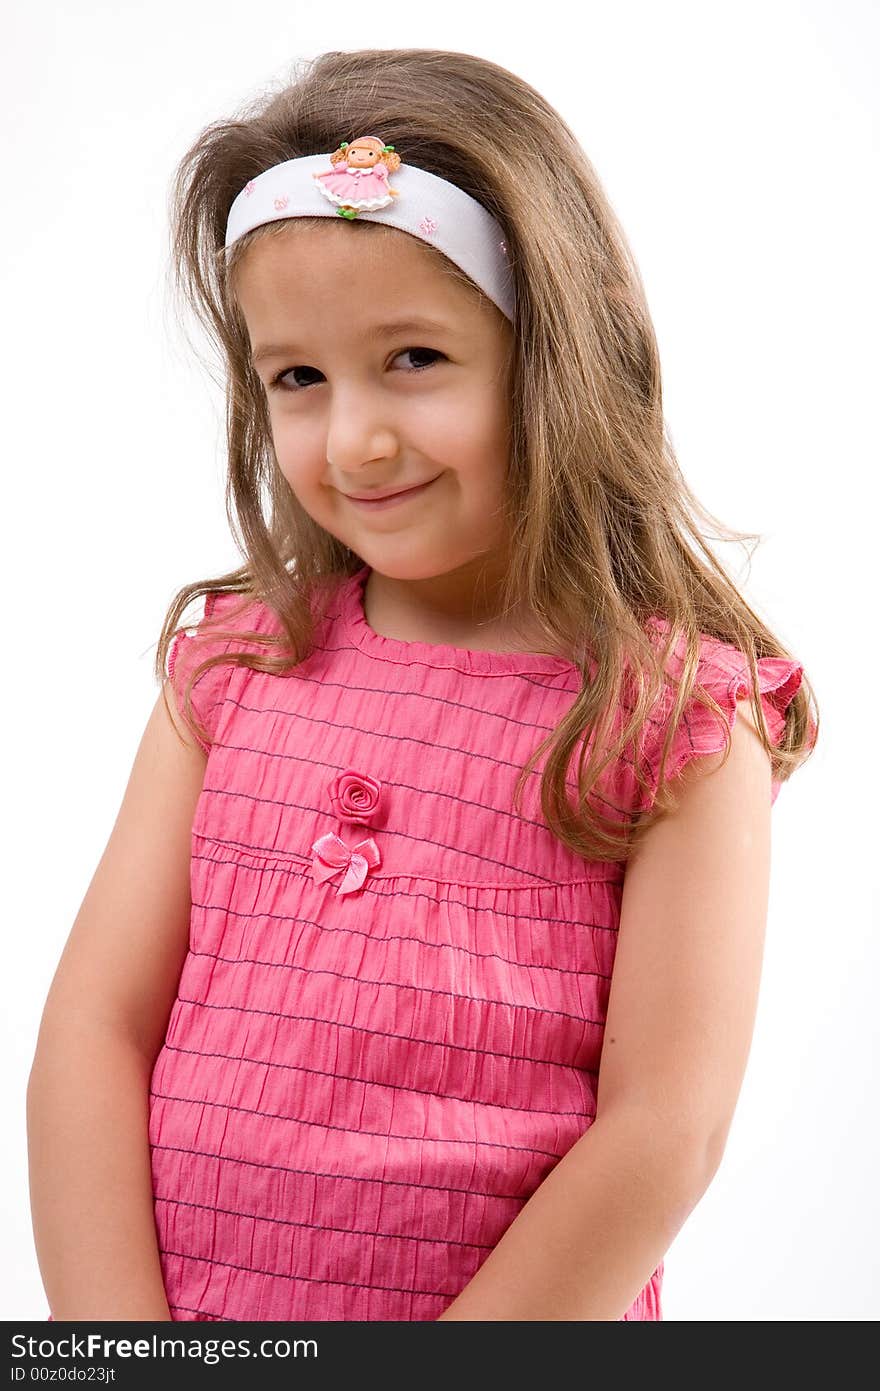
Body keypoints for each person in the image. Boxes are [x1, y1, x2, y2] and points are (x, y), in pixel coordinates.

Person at [26, 48, 818, 1324]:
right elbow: (94, 1033)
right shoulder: (234, 667)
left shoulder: (671, 722)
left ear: (557, 345)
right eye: (299, 377)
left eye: (412, 358)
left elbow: (663, 1132)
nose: (354, 439)